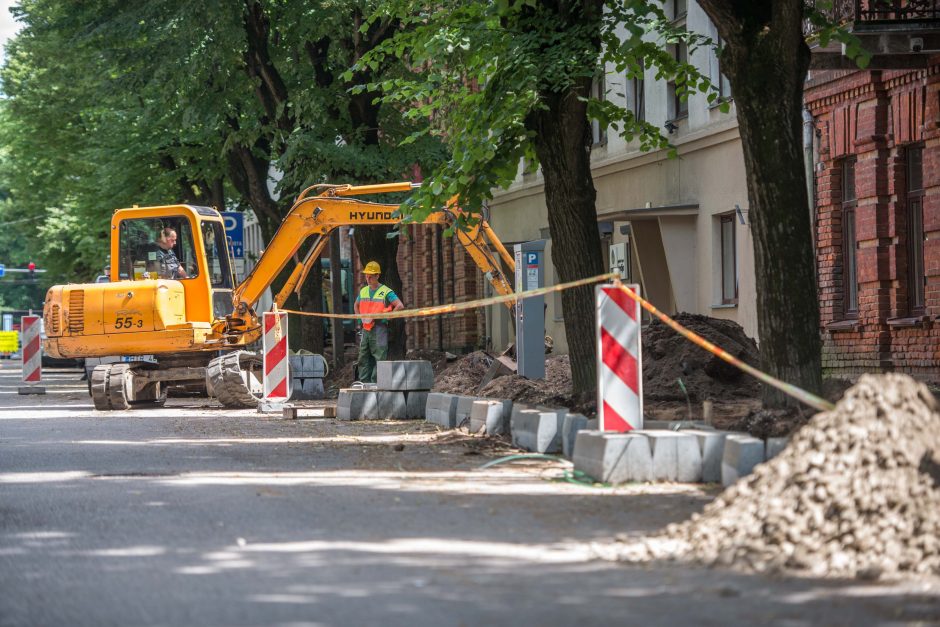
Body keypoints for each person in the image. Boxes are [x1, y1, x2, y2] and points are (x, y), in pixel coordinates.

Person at [354, 261, 404, 383]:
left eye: (371, 276)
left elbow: (399, 305)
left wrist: (389, 316)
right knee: (363, 358)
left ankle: (376, 384)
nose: (368, 278)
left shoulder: (386, 291)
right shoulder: (364, 291)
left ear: (377, 276)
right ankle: (363, 384)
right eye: (366, 275)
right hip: (366, 329)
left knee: (379, 358)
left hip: (379, 328)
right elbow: (356, 305)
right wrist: (360, 318)